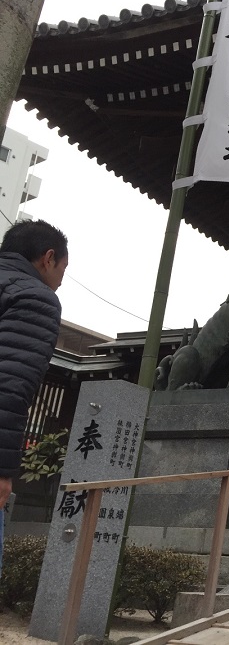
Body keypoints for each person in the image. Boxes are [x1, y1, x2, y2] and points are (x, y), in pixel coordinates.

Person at [0, 220, 67, 574]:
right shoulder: (36, 298)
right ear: (48, 258)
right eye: (63, 269)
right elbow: (9, 385)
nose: (61, 280)